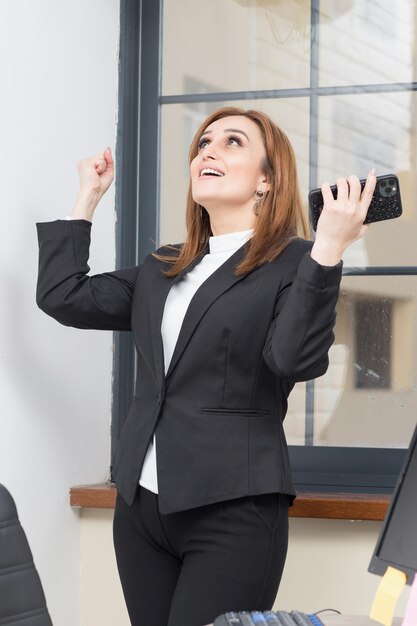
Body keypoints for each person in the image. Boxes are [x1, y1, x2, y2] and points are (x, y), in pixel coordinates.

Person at [36, 107, 376, 626]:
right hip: (141, 510)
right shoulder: (163, 266)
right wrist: (89, 196)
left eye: (233, 142)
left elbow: (293, 360)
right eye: (203, 143)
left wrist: (328, 247)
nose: (208, 151)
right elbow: (63, 296)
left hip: (233, 510)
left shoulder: (297, 262)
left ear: (267, 179)